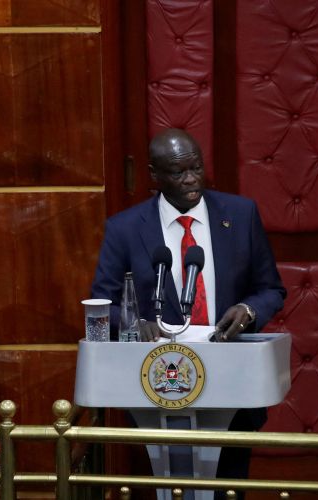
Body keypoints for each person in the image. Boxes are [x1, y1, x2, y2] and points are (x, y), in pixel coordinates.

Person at [91, 128, 286, 497]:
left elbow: (271, 290)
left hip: (232, 378)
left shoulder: (240, 214)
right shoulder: (125, 229)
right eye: (178, 172)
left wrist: (248, 310)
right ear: (154, 174)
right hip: (157, 384)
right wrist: (135, 323)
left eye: (196, 168)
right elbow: (102, 304)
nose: (191, 179)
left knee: (227, 489)